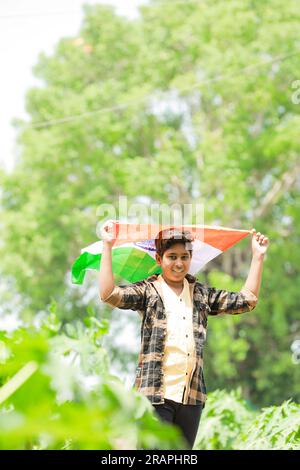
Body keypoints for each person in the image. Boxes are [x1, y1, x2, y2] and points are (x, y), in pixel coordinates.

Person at [98, 221, 269, 449]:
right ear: (159, 260)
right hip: (154, 396)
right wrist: (107, 246)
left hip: (191, 398)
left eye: (184, 256)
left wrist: (258, 257)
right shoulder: (149, 292)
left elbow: (247, 300)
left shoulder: (200, 294)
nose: (179, 263)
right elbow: (109, 294)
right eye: (172, 257)